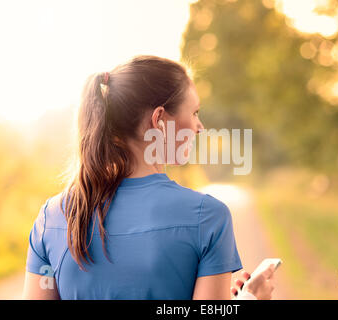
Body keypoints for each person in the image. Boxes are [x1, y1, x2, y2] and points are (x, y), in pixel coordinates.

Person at [22, 55, 275, 300]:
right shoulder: (207, 217)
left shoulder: (52, 217)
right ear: (160, 120)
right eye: (195, 112)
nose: (200, 127)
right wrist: (252, 298)